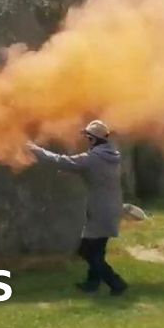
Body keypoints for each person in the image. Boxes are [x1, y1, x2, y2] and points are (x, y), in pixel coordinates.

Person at [27, 120, 128, 296]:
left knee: (87, 251)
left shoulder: (94, 158)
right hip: (110, 207)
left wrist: (34, 149)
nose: (86, 140)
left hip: (99, 210)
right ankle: (92, 283)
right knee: (97, 250)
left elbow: (60, 161)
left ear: (93, 139)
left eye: (88, 137)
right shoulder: (111, 155)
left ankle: (116, 283)